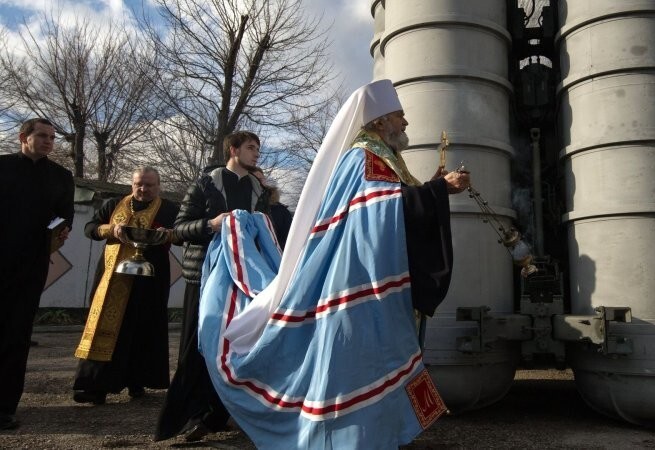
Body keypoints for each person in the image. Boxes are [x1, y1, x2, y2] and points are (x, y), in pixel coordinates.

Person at [198, 79, 469, 448]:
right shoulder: (363, 157)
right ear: (379, 121)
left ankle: (382, 432)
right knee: (357, 362)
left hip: (377, 280)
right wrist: (439, 191)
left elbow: (399, 204)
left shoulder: (385, 157)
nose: (406, 124)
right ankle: (350, 438)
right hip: (357, 281)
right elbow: (378, 212)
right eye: (399, 116)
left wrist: (434, 188)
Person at [154, 131, 292, 442]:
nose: (256, 154)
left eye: (258, 148)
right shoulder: (206, 183)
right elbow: (179, 229)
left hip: (246, 279)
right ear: (233, 150)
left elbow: (265, 235)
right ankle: (190, 416)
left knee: (237, 345)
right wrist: (211, 225)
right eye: (250, 148)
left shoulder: (258, 190)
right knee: (197, 345)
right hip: (203, 275)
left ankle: (220, 415)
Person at [71, 167, 179, 404]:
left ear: (158, 186)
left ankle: (136, 381)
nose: (144, 189)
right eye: (139, 184)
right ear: (132, 183)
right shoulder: (113, 204)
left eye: (150, 185)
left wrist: (169, 233)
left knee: (143, 327)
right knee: (105, 326)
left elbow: (182, 233)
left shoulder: (170, 208)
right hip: (112, 277)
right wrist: (111, 229)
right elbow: (90, 228)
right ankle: (94, 386)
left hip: (150, 279)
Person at [0, 118, 74, 430]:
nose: (48, 142)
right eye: (42, 136)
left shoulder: (60, 176)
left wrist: (60, 231)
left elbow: (65, 218)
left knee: (16, 335)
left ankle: (4, 406)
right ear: (23, 137)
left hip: (31, 265)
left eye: (52, 137)